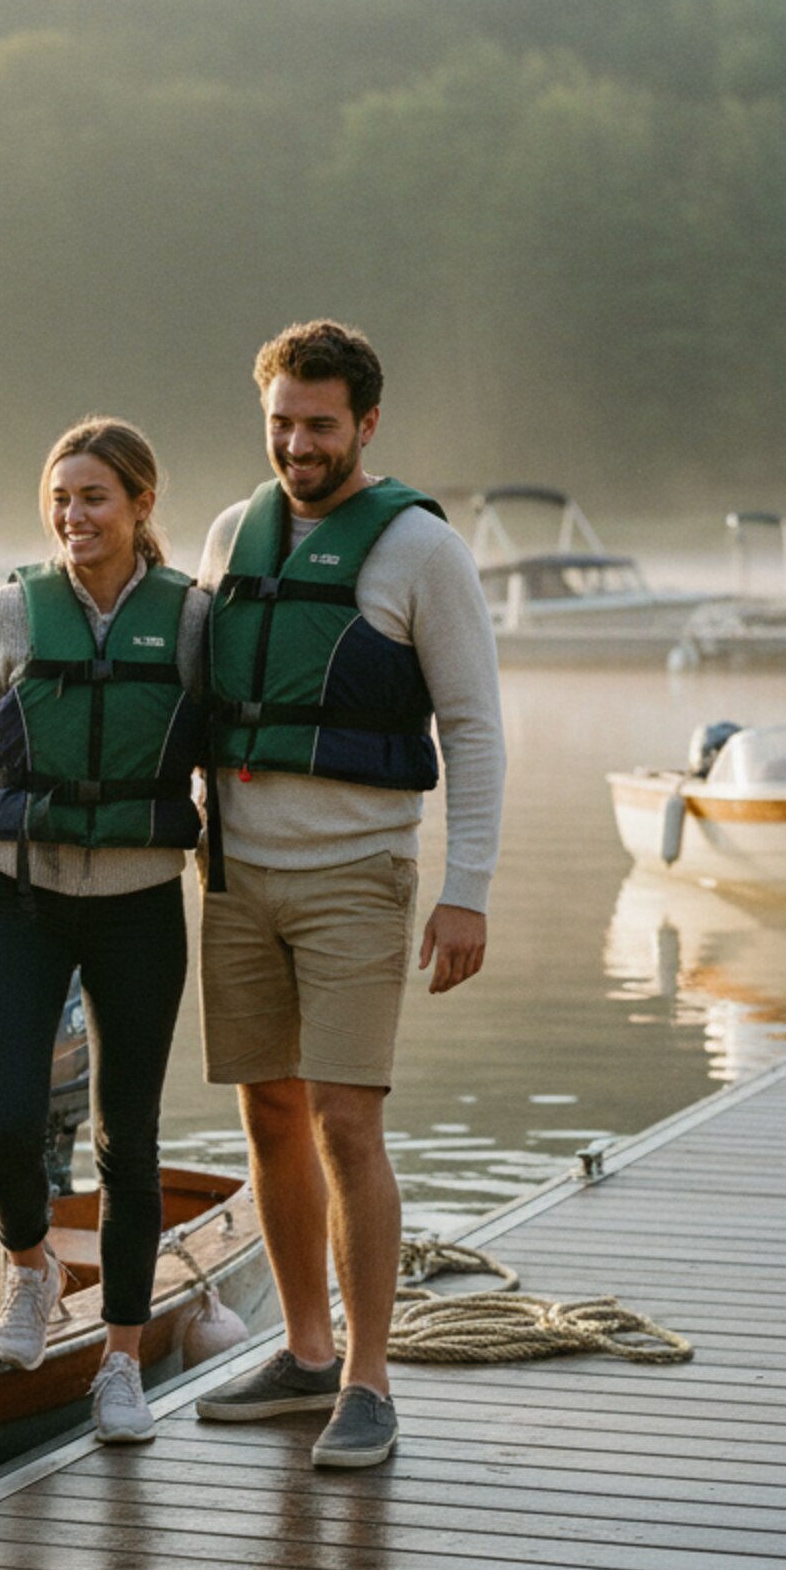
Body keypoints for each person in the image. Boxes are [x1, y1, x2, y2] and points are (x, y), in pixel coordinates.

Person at [191, 319, 504, 1467]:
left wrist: (463, 888)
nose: (297, 444)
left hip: (357, 874)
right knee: (266, 1112)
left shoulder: (422, 550)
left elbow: (472, 725)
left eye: (319, 424)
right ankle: (305, 1351)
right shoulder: (233, 532)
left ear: (365, 424)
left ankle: (368, 1381)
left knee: (343, 1117)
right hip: (237, 875)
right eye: (280, 422)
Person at [0, 419, 205, 1443]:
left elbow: (219, 766)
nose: (72, 516)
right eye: (58, 497)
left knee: (127, 1140)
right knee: (5, 1122)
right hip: (18, 897)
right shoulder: (6, 612)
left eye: (93, 497)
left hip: (138, 903)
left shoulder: (188, 620)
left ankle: (119, 1362)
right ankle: (29, 1271)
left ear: (138, 504)